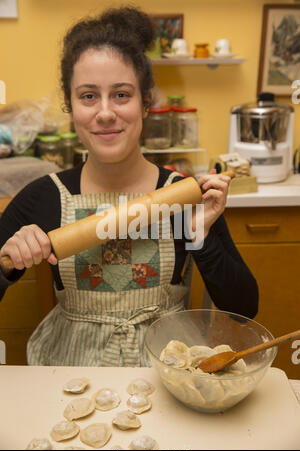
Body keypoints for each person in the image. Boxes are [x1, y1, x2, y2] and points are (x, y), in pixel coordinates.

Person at [0, 6, 258, 367]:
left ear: (145, 103)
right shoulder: (42, 198)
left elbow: (244, 308)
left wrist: (201, 235)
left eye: (121, 94)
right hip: (69, 378)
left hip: (166, 375)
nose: (105, 112)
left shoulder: (182, 195)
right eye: (88, 96)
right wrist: (8, 264)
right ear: (70, 107)